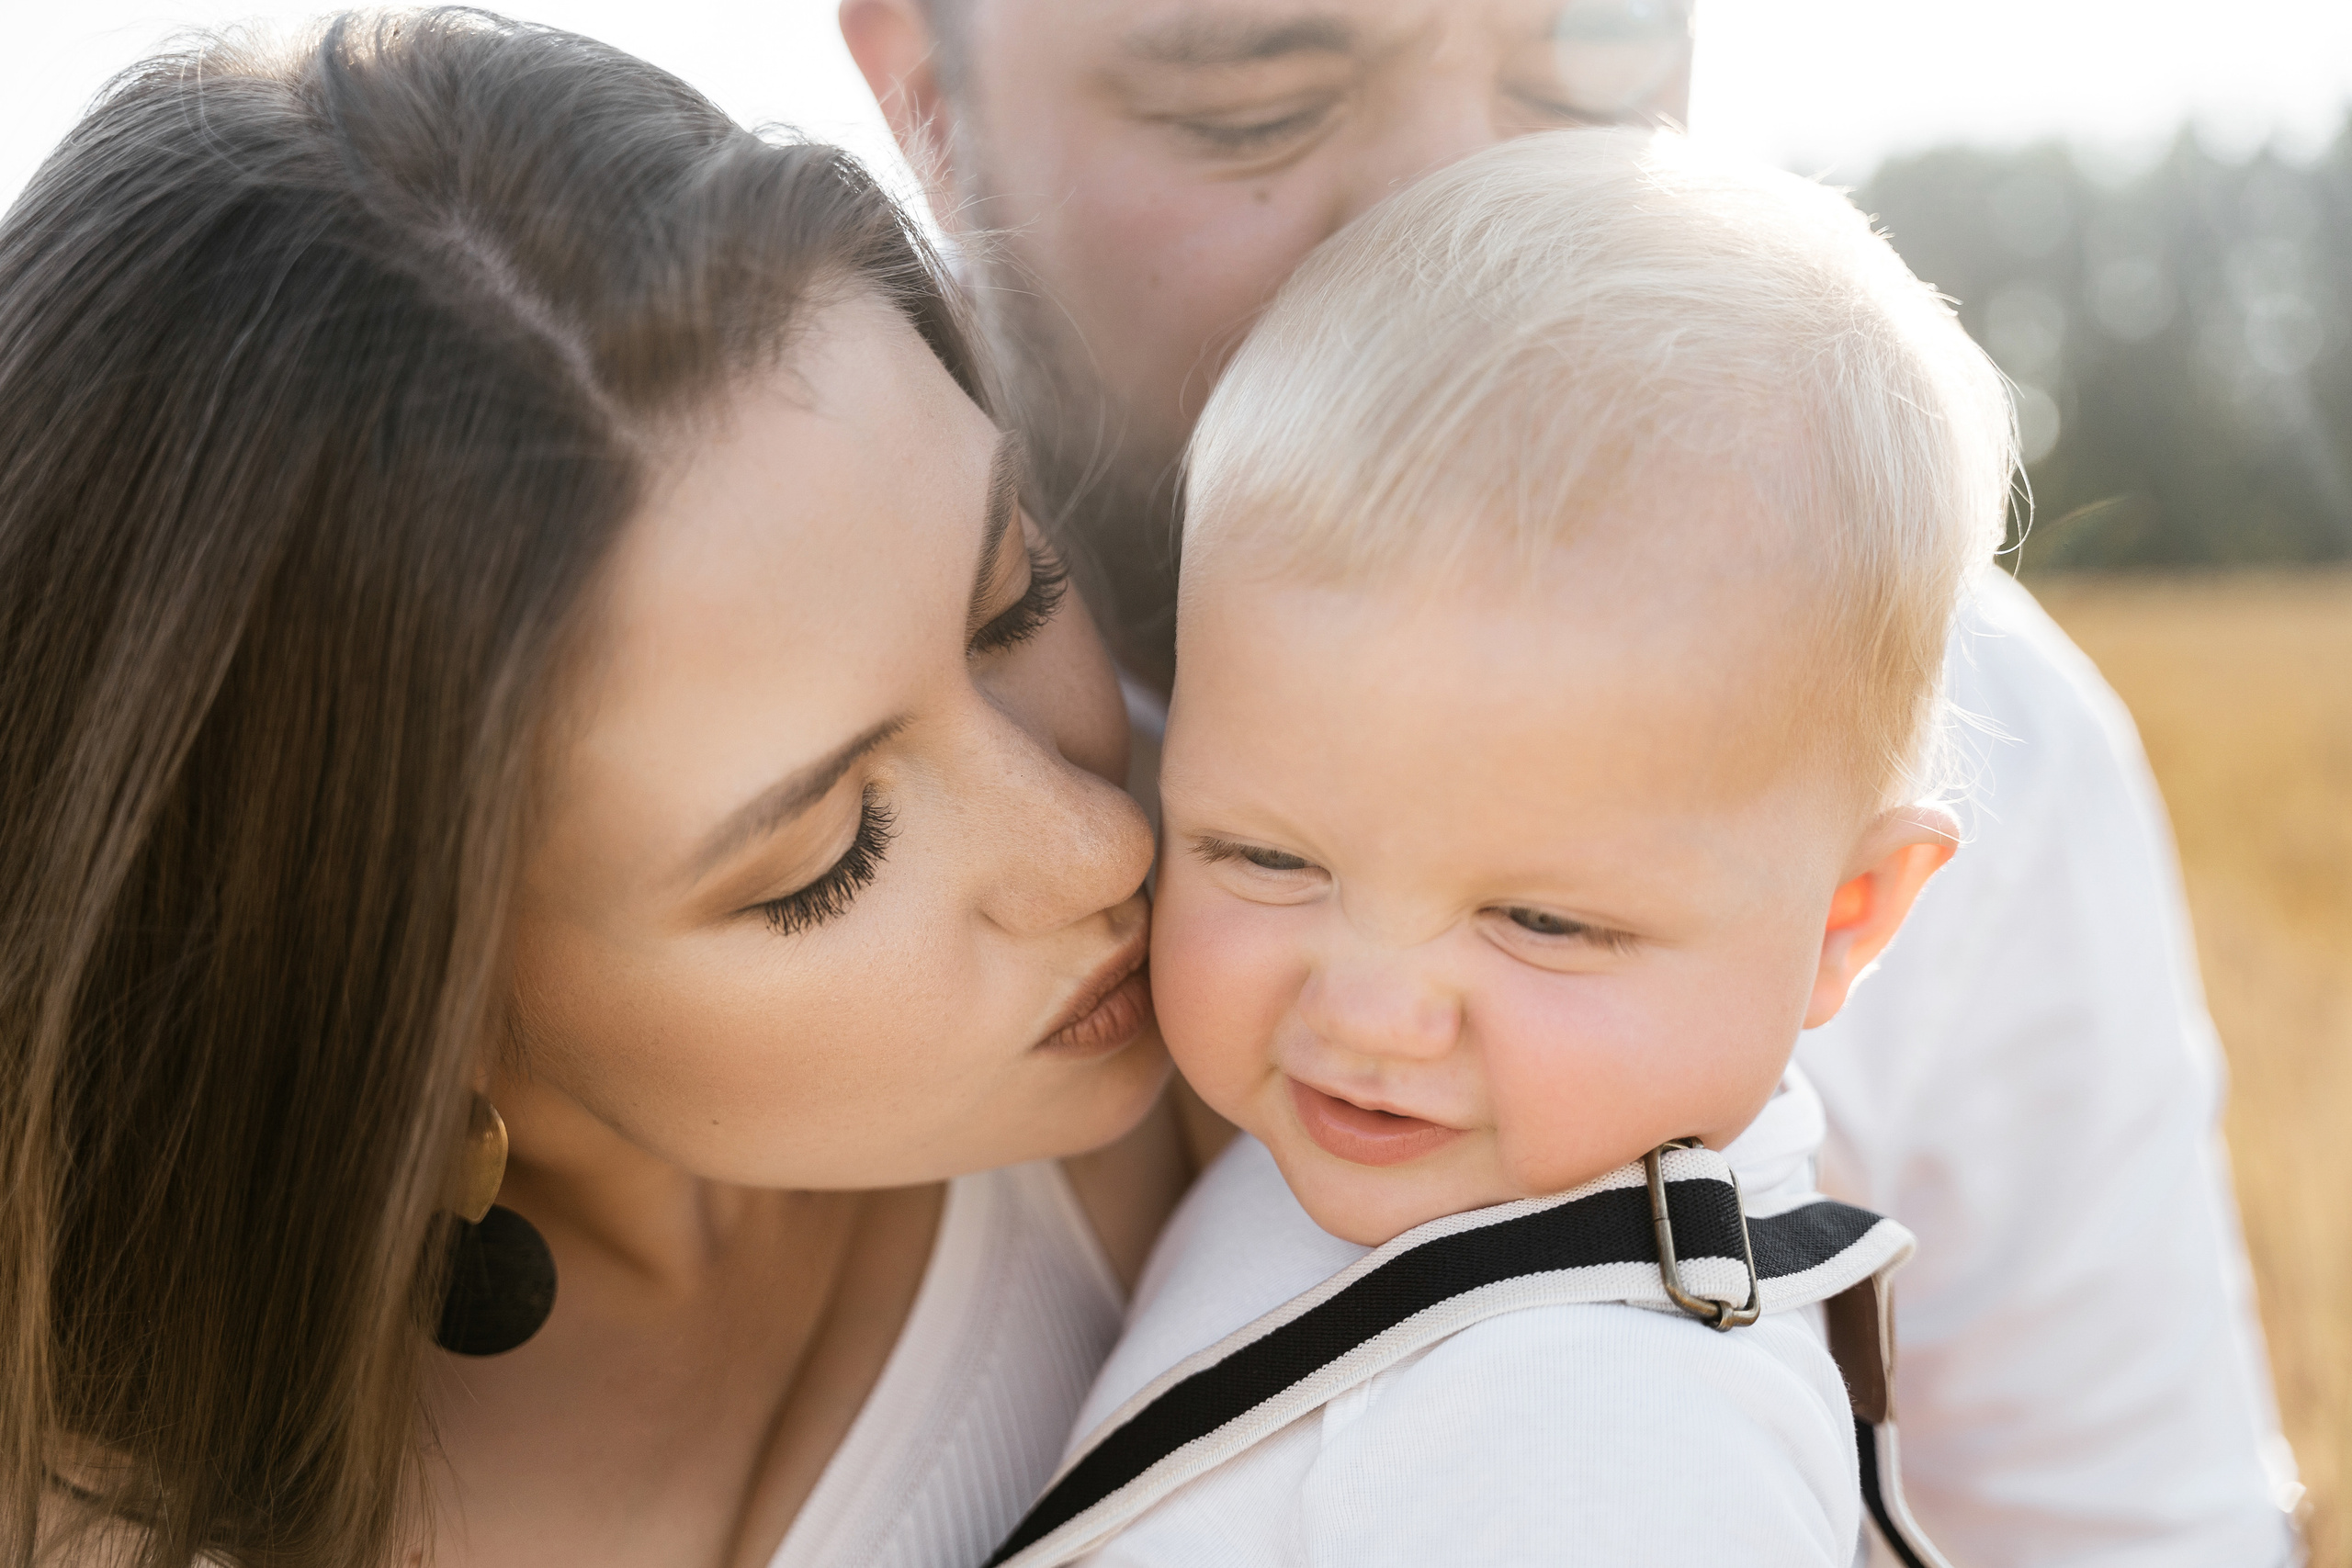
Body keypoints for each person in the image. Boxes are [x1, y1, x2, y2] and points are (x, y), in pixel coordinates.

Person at [840, 4, 2300, 1561]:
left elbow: (2133, 1530)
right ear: (926, 91)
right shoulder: (746, 671)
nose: (1457, 201)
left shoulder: (1605, 1453)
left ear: (1849, 915)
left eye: (1587, 63)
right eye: (1253, 103)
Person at [0, 13, 1194, 1566]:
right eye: (830, 857)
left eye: (1015, 597)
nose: (1103, 844)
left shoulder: (1330, 909)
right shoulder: (91, 1508)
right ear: (409, 1004)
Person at [1011, 126, 1992, 1567]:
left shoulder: (1612, 1438)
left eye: (1543, 922)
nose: (1367, 1012)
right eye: (1265, 859)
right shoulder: (1428, 1182)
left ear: (1847, 916)